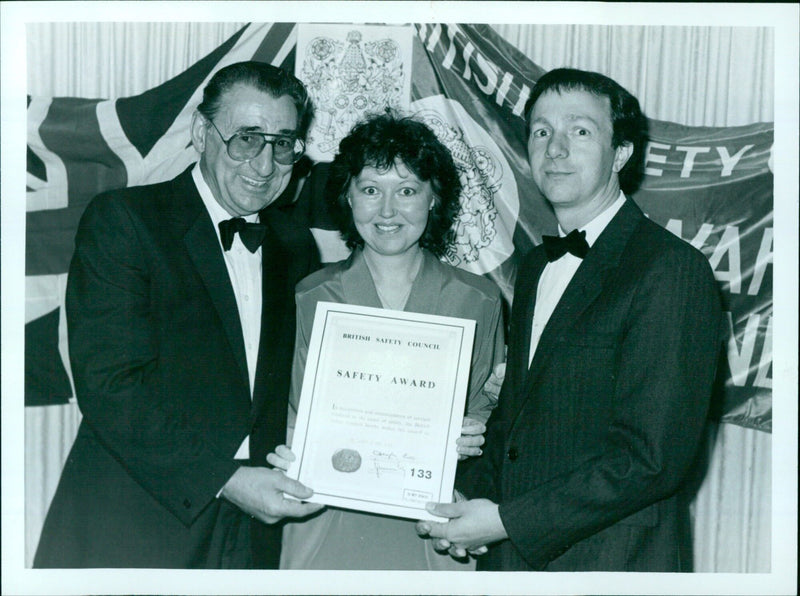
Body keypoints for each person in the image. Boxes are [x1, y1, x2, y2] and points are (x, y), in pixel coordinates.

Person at [416, 68, 723, 572]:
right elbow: (517, 418)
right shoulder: (537, 266)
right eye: (541, 132)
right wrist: (464, 502)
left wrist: (506, 522)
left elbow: (651, 459)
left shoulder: (671, 269)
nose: (555, 149)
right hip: (514, 560)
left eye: (580, 131)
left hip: (610, 561)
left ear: (621, 153)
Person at [33, 62, 324, 569]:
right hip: (136, 526)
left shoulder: (295, 246)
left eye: (283, 143)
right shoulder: (125, 220)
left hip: (250, 539)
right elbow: (110, 385)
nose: (265, 163)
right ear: (200, 133)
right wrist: (226, 481)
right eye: (247, 139)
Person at [272, 112, 506, 570]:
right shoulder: (308, 296)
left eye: (407, 190)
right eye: (371, 189)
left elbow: (492, 412)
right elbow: (285, 413)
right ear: (347, 195)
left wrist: (475, 432)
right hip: (323, 516)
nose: (387, 211)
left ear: (434, 198)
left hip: (433, 524)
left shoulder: (479, 300)